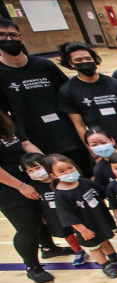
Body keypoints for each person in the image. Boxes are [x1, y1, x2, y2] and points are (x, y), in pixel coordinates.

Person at [0, 18, 91, 177]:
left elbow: (68, 95)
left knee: (86, 179)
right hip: (36, 143)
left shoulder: (44, 66)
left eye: (13, 35)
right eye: (2, 35)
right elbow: (3, 116)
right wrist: (25, 142)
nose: (9, 39)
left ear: (21, 38)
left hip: (67, 135)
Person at [47, 154, 117, 278]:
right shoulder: (60, 195)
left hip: (99, 219)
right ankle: (105, 265)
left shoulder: (84, 182)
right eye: (61, 171)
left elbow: (102, 191)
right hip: (85, 227)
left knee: (105, 239)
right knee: (94, 247)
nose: (68, 172)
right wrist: (83, 230)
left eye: (70, 168)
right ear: (53, 175)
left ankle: (113, 257)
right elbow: (67, 216)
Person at [57, 42, 117, 150]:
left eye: (88, 58)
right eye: (79, 60)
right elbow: (79, 126)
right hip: (102, 145)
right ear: (71, 63)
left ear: (94, 59)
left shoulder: (115, 83)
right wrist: (91, 150)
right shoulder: (68, 90)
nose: (85, 62)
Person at [0, 119, 56, 283]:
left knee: (40, 217)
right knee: (27, 227)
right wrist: (21, 186)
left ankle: (49, 248)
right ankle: (32, 267)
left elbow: (25, 143)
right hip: (8, 188)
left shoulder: (6, 122)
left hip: (28, 176)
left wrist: (46, 163)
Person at [22, 153, 87, 266]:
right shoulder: (34, 186)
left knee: (84, 231)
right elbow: (37, 204)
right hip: (55, 217)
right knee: (68, 236)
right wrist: (43, 218)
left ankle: (97, 247)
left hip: (73, 213)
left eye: (38, 168)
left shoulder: (60, 181)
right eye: (30, 170)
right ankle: (79, 252)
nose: (35, 172)